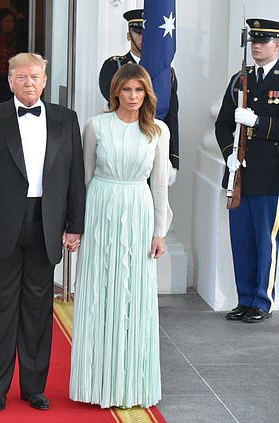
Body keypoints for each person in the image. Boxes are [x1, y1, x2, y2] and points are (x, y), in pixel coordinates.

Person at [0, 52, 86, 412]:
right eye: (21, 77)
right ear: (10, 81)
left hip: (47, 224)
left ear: (45, 81)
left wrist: (75, 226)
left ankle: (34, 387)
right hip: (0, 227)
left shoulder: (67, 119)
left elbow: (75, 177)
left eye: (35, 77)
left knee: (37, 310)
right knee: (0, 310)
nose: (29, 82)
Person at [70, 63, 171, 409]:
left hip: (138, 210)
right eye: (127, 90)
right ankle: (96, 383)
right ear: (115, 92)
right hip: (100, 207)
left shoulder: (158, 130)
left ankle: (130, 383)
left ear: (147, 94)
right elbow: (83, 179)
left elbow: (159, 185)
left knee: (134, 295)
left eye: (139, 90)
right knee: (99, 291)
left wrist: (160, 231)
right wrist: (77, 225)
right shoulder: (96, 126)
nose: (132, 97)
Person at [215, 18, 279, 323]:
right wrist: (230, 154)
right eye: (254, 40)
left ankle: (262, 301)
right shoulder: (239, 80)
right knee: (241, 240)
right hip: (239, 175)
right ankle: (244, 298)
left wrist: (259, 124)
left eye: (263, 41)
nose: (256, 46)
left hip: (271, 176)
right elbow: (223, 125)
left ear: (277, 45)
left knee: (265, 240)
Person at [98, 9, 180, 185]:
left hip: (155, 146)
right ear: (128, 35)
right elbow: (114, 103)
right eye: (138, 32)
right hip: (122, 147)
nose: (144, 38)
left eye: (147, 33)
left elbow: (171, 116)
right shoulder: (114, 66)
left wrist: (172, 158)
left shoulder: (166, 72)